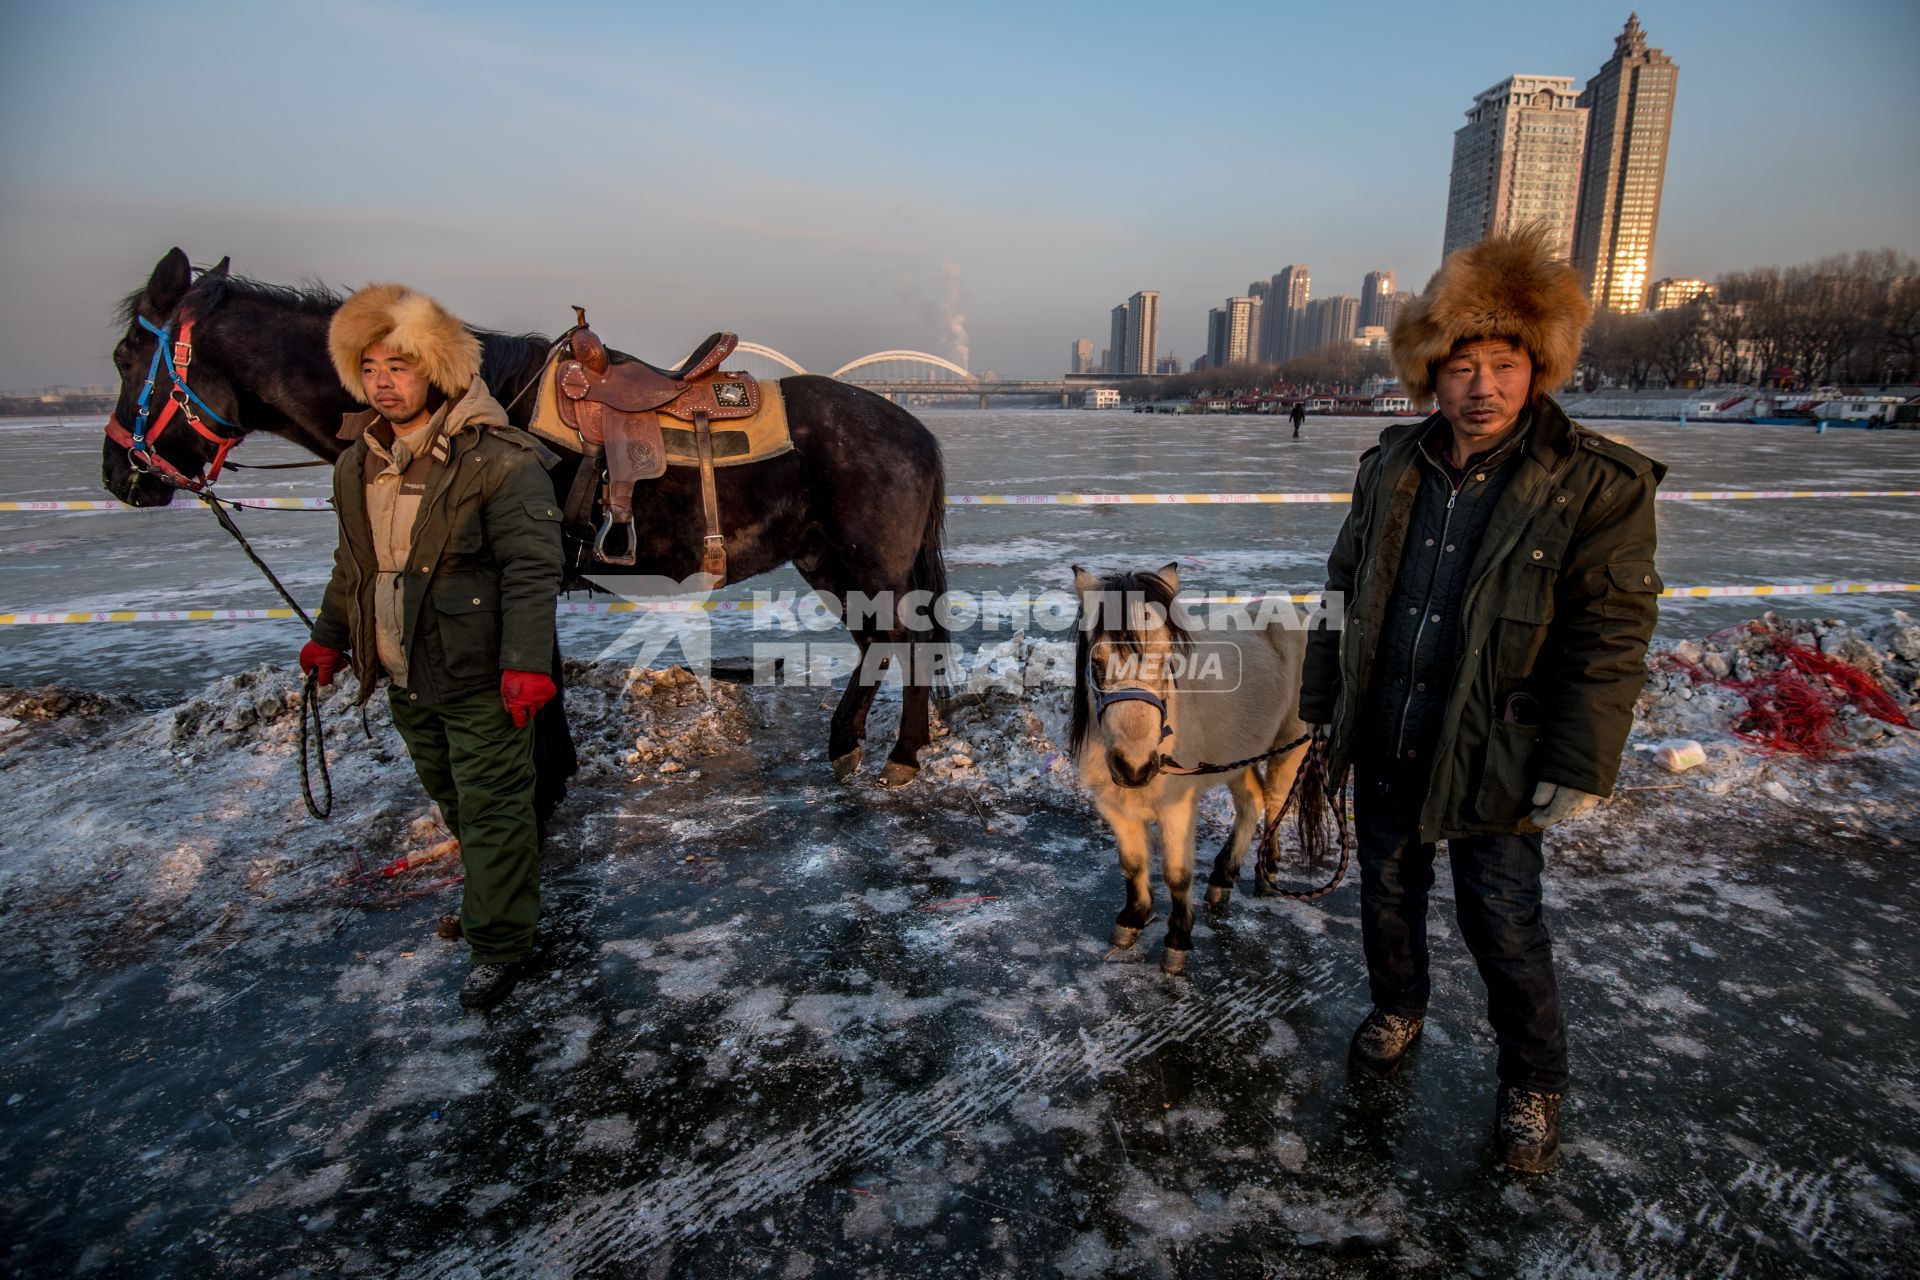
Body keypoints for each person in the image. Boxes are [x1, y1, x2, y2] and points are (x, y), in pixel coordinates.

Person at [1298, 227, 1664, 1173]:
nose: (1483, 387)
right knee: (1385, 895)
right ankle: (1398, 1005)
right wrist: (1321, 707)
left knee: (1502, 922)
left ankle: (1533, 1085)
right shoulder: (1391, 464)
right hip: (1386, 728)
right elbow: (1342, 590)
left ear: (1537, 366)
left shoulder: (1594, 483)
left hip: (1497, 747)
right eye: (1462, 365)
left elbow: (1609, 632)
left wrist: (1579, 762)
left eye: (1505, 363)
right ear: (1431, 372)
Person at [299, 284, 564, 1012]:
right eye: (373, 366)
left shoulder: (498, 460)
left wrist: (525, 665)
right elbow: (354, 563)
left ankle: (500, 944)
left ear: (438, 371)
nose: (384, 382)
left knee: (493, 807)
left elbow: (533, 568)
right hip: (403, 669)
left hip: (480, 672)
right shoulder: (359, 461)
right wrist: (329, 639)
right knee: (454, 799)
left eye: (402, 366)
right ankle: (495, 899)